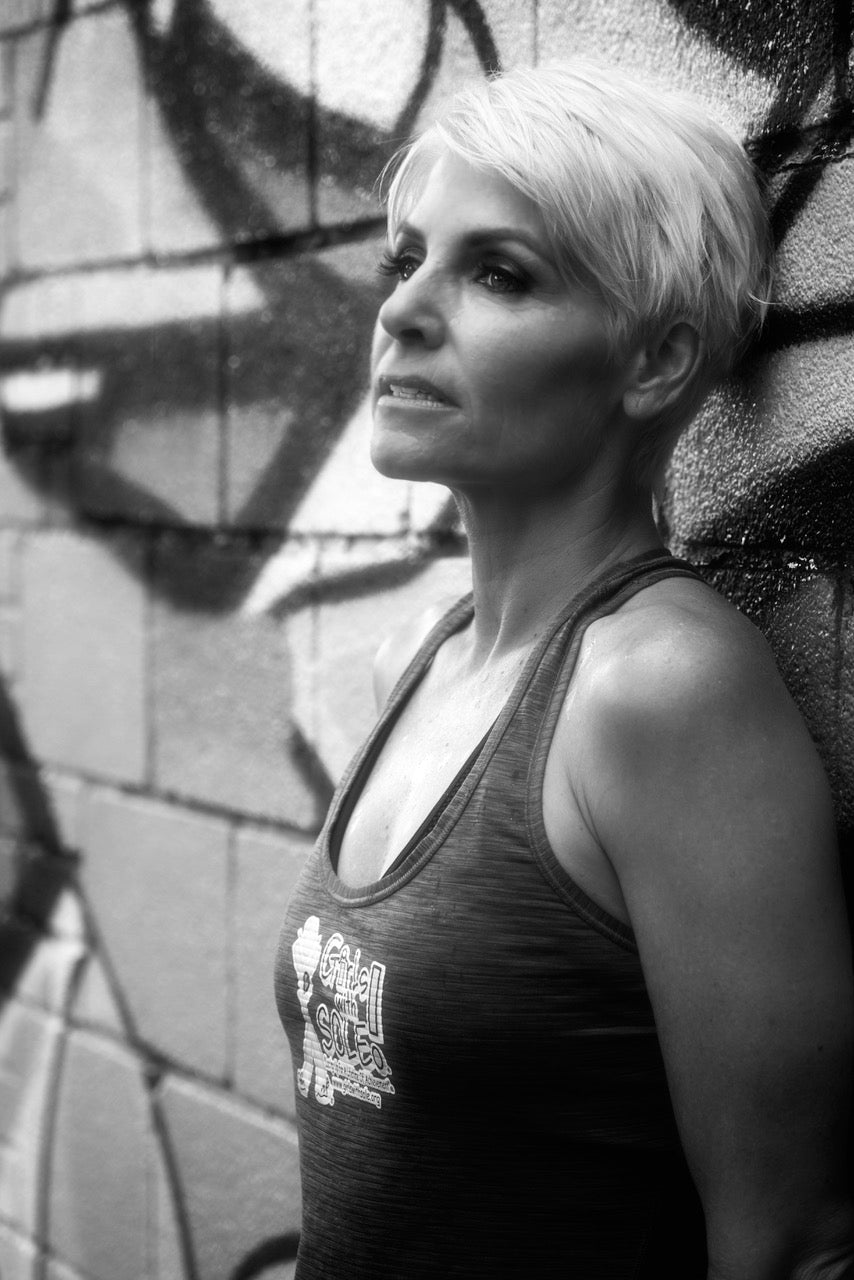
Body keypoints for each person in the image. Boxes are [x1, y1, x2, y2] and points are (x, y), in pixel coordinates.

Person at [275, 60, 854, 1279]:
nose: (402, 309)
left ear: (652, 363)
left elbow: (789, 1239)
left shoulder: (659, 690)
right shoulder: (413, 659)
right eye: (404, 260)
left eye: (498, 273)